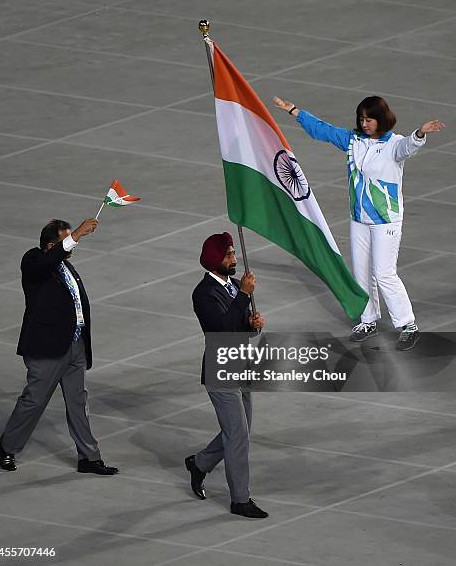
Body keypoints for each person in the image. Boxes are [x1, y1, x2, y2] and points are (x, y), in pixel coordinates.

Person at [273, 95, 445, 350]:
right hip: (359, 219)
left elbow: (409, 146)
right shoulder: (354, 141)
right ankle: (369, 320)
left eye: (370, 119)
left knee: (384, 273)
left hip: (386, 220)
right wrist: (296, 111)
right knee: (361, 272)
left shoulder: (394, 145)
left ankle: (408, 324)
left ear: (382, 119)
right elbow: (324, 131)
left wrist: (419, 133)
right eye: (362, 119)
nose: (365, 124)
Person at [0, 218, 118, 475]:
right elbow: (44, 264)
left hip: (75, 346)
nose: (71, 245)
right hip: (47, 349)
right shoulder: (33, 262)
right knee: (34, 401)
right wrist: (78, 234)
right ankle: (7, 446)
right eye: (66, 240)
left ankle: (89, 457)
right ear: (51, 245)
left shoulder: (65, 266)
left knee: (78, 402)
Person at [185, 232, 268, 518]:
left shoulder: (232, 286)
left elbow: (237, 328)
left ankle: (199, 464)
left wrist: (252, 325)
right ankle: (239, 499)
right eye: (229, 254)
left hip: (242, 364)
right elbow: (220, 329)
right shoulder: (204, 293)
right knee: (238, 435)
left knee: (239, 431)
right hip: (221, 371)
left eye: (233, 253)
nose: (234, 259)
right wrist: (244, 295)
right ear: (214, 260)